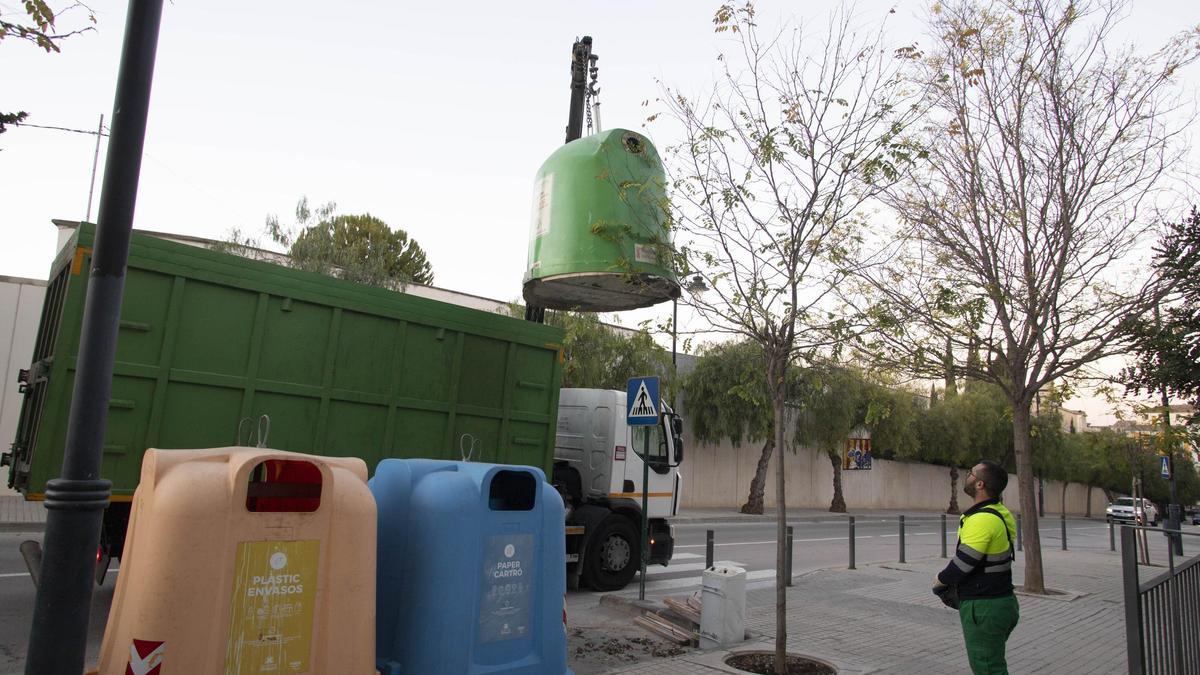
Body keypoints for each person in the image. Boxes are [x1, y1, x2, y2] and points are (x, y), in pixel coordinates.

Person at [933, 460, 1020, 674]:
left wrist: (939, 580)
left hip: (984, 608)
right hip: (1002, 602)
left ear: (980, 484)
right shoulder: (1001, 512)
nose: (967, 475)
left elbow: (963, 563)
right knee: (990, 663)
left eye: (971, 473)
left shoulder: (982, 519)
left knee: (988, 668)